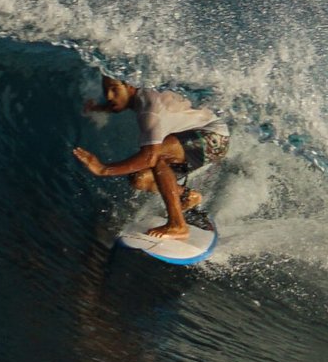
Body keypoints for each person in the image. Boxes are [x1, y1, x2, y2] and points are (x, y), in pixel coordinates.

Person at [72, 74, 227, 241]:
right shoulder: (138, 97)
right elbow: (120, 102)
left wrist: (103, 169)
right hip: (191, 140)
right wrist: (100, 108)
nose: (109, 96)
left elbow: (150, 158)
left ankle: (177, 225)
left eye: (114, 89)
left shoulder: (150, 109)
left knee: (156, 155)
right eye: (106, 90)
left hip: (214, 137)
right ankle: (188, 196)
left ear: (130, 86)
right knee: (139, 179)